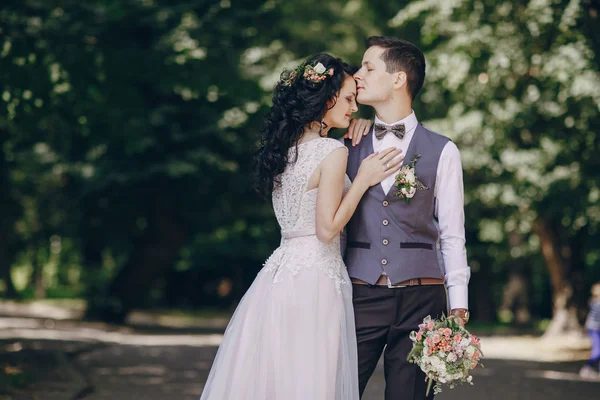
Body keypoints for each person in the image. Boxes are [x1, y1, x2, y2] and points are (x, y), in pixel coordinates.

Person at [199, 53, 403, 400]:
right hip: (317, 279)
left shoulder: (286, 151)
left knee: (275, 377)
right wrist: (363, 180)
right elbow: (327, 230)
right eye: (350, 99)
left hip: (279, 275)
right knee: (313, 380)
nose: (355, 108)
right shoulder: (330, 151)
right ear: (327, 99)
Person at [343, 36, 471, 399]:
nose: (357, 76)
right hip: (359, 293)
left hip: (423, 298)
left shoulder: (444, 151)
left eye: (368, 67)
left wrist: (458, 302)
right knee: (338, 387)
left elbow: (451, 233)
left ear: (398, 79)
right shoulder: (346, 145)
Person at [580, 282, 600, 379]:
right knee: (597, 350)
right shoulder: (596, 303)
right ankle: (587, 368)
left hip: (594, 328)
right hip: (595, 328)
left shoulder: (593, 301)